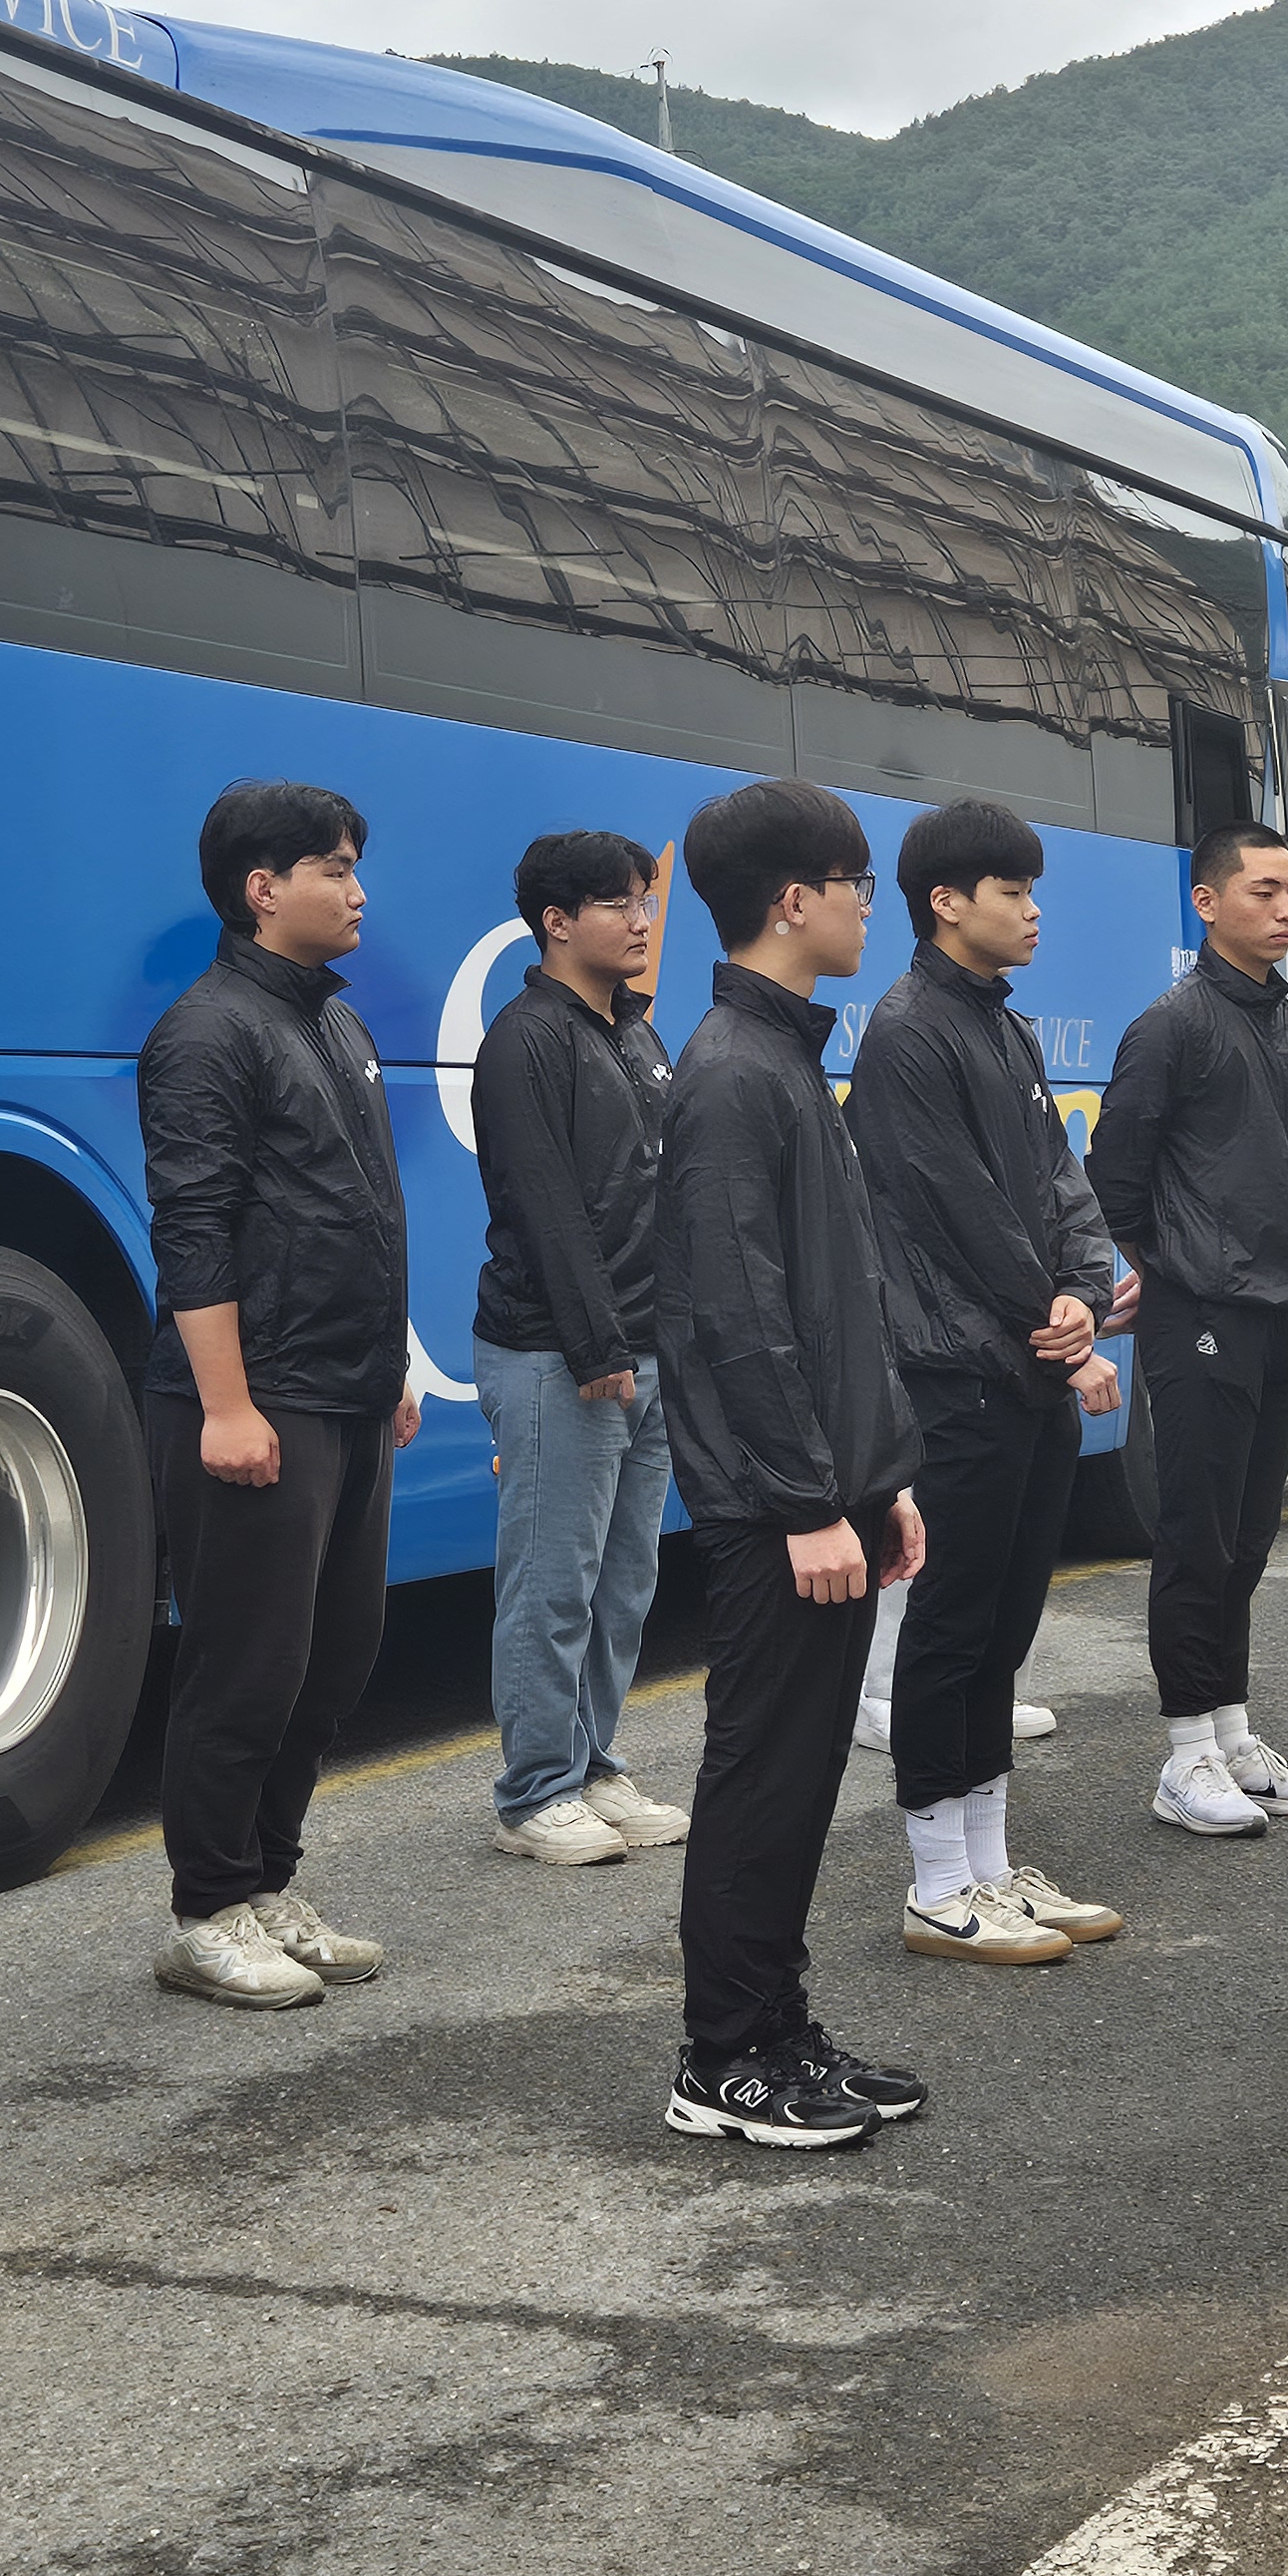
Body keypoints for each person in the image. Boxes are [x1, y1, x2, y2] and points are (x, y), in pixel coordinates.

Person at [656, 777, 932, 2147]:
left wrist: (877, 1483)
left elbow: (833, 1305)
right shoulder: (727, 1072)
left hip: (822, 1495)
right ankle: (722, 2060)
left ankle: (775, 2026)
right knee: (762, 1773)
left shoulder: (780, 1058)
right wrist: (805, 1503)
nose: (867, 906)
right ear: (792, 901)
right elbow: (736, 1316)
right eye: (858, 882)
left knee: (802, 1775)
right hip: (776, 1508)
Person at [141, 782, 420, 2013]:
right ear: (262, 888)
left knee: (332, 1661)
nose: (358, 890)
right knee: (245, 1669)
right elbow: (193, 1234)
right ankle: (205, 1912)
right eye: (334, 868)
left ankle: (267, 1884)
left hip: (349, 1390)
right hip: (261, 1398)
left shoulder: (336, 1026)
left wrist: (394, 1359)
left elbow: (361, 1207)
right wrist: (226, 1408)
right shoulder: (207, 1031)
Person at [846, 800, 1127, 1967]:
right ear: (946, 901)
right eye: (1012, 890)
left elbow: (1057, 1176)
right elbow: (952, 1204)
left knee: (1006, 1624)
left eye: (1031, 888)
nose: (1033, 909)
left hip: (1025, 1363)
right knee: (951, 1630)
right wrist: (1050, 1312)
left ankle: (992, 1867)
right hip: (956, 1370)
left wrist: (1083, 1280)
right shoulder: (909, 1031)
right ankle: (933, 1884)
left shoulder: (1003, 1028)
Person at [1090, 819, 1288, 1836]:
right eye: (1261, 893)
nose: (1283, 910)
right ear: (1206, 904)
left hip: (1284, 1310)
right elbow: (1116, 1173)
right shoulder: (1172, 1024)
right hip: (1201, 1314)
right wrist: (1163, 1267)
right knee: (1193, 1537)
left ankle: (1234, 1734)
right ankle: (1184, 1753)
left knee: (1248, 1534)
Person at [470, 830, 689, 1868]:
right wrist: (598, 1343)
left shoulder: (636, 1035)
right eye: (616, 904)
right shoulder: (527, 1039)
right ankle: (533, 1793)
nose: (641, 920)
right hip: (560, 1354)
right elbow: (542, 1204)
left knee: (622, 1581)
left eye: (644, 901)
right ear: (557, 923)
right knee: (552, 1582)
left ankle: (594, 1765)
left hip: (645, 1350)